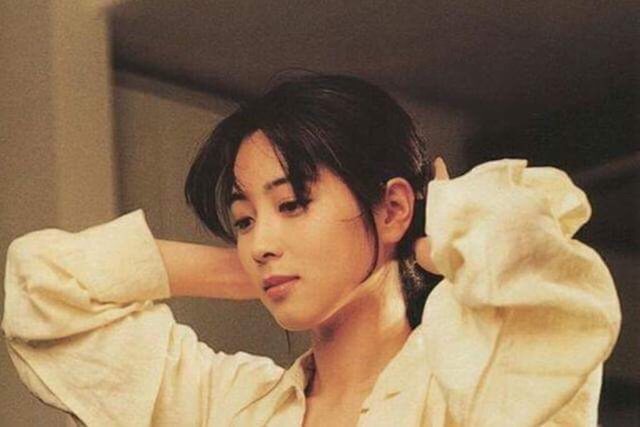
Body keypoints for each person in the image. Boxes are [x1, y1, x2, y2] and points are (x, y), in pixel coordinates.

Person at [2, 74, 621, 426]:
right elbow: (43, 289)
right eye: (244, 220)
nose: (260, 243)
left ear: (393, 207)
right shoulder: (228, 405)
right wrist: (241, 272)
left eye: (293, 204)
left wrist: (433, 233)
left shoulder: (467, 383)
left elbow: (548, 280)